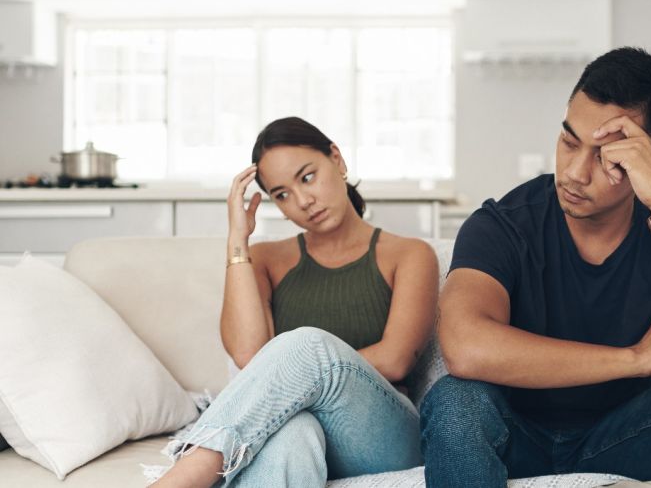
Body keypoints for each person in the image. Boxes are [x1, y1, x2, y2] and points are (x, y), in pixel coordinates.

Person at [420, 47, 651, 487]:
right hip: (513, 434)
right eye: (569, 141)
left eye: (607, 157)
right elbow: (465, 347)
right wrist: (635, 359)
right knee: (455, 401)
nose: (575, 172)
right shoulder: (503, 224)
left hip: (625, 436)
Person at [152, 117, 439, 487]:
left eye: (307, 177)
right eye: (282, 195)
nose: (304, 201)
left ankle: (190, 471)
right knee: (292, 434)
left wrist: (311, 366)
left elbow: (397, 360)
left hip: (383, 434)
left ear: (336, 159)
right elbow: (248, 355)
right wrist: (237, 240)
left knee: (306, 344)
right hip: (294, 422)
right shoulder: (267, 260)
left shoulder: (410, 254)